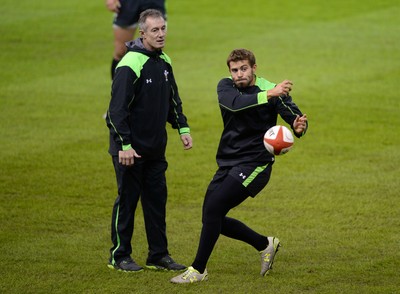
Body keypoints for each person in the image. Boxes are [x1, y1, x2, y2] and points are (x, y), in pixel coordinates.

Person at [171, 49, 308, 283]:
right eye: (235, 70)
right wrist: (269, 94)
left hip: (256, 164)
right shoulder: (226, 87)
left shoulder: (271, 89)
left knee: (213, 210)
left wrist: (299, 126)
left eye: (244, 68)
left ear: (254, 68)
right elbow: (235, 105)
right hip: (227, 161)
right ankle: (265, 244)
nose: (239, 74)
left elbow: (295, 119)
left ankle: (198, 270)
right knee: (211, 217)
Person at [106, 9, 192, 273]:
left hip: (155, 149)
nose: (161, 34)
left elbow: (172, 99)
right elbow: (116, 111)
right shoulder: (130, 64)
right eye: (155, 30)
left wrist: (182, 127)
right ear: (142, 33)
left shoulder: (164, 60)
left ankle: (158, 255)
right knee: (128, 202)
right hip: (130, 150)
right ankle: (119, 256)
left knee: (156, 202)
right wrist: (125, 146)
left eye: (163, 28)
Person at [105, 0, 167, 80]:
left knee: (155, 49)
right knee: (121, 50)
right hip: (127, 3)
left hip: (154, 2)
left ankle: (153, 90)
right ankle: (117, 89)